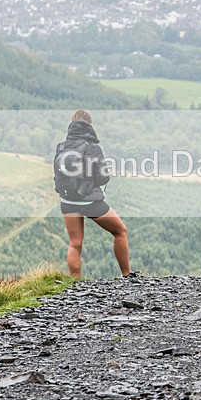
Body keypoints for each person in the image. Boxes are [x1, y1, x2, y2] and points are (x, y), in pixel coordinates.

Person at [54, 110, 136, 279]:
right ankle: (126, 274)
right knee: (120, 231)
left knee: (75, 244)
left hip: (67, 201)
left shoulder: (61, 147)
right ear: (89, 125)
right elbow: (102, 176)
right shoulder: (92, 148)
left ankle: (74, 283)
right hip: (90, 202)